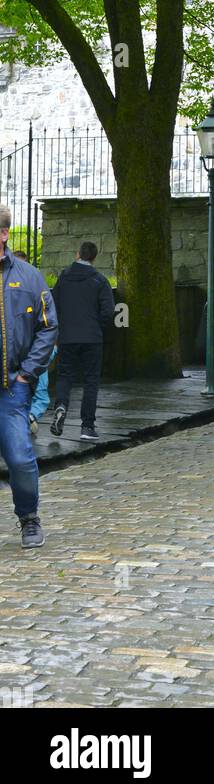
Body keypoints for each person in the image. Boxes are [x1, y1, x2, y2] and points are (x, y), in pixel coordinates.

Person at [0, 206, 58, 547]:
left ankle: (29, 517)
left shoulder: (30, 277)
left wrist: (26, 376)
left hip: (11, 388)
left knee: (20, 457)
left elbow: (48, 328)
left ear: (4, 234)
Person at [50, 241, 115, 443]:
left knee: (65, 375)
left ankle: (61, 405)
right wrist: (97, 327)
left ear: (77, 254)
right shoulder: (100, 280)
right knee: (91, 381)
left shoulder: (64, 277)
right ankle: (87, 426)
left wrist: (60, 329)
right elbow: (108, 311)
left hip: (67, 336)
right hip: (91, 337)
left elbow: (54, 305)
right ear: (94, 257)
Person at [12, 252, 56, 436]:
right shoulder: (33, 286)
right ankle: (28, 418)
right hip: (31, 355)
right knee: (40, 394)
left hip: (29, 354)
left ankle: (26, 419)